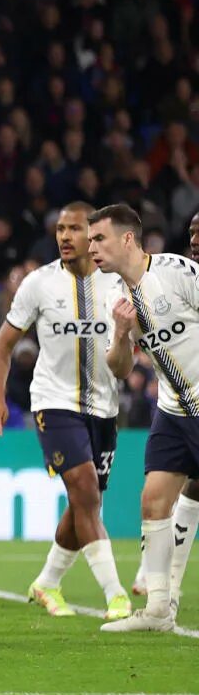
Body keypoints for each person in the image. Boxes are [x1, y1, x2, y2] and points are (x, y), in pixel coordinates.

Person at [0, 202, 132, 620]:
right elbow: (2, 346)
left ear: (96, 235)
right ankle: (116, 595)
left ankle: (47, 581)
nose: (65, 237)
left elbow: (126, 362)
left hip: (104, 406)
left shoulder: (118, 285)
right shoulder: (39, 283)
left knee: (87, 502)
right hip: (54, 402)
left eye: (75, 229)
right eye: (60, 229)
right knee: (84, 489)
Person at [89, 204, 199, 632]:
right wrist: (119, 334)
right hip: (172, 411)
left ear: (127, 239)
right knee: (153, 501)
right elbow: (120, 369)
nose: (91, 247)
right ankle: (157, 610)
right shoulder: (113, 299)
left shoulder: (177, 272)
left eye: (99, 238)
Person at [130, 213, 199, 600]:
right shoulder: (173, 276)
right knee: (164, 494)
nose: (195, 239)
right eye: (191, 232)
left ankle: (163, 584)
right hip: (176, 407)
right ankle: (163, 586)